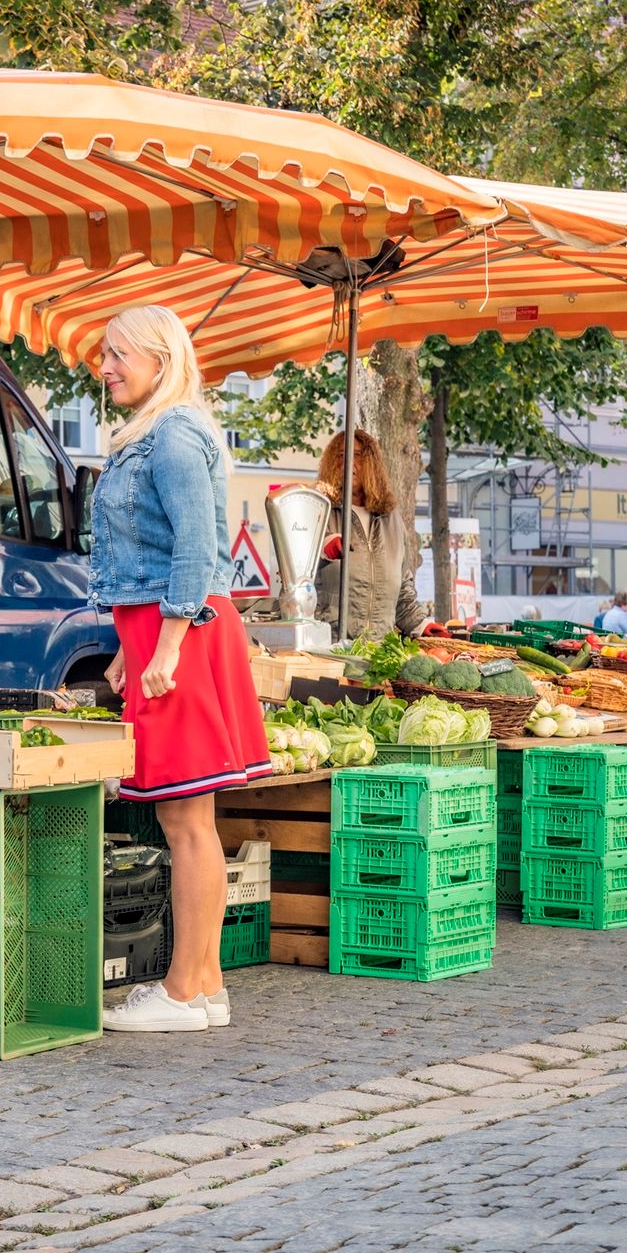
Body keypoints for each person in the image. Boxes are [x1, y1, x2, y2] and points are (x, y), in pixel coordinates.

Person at [91, 305, 268, 1034]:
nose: (105, 367)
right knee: (191, 818)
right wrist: (127, 653)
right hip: (168, 634)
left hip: (184, 637)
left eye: (119, 354)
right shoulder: (157, 432)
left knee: (186, 819)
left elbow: (198, 546)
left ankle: (183, 989)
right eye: (103, 354)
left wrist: (163, 648)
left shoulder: (173, 433)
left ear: (161, 360)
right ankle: (209, 985)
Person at [311, 430, 427, 642]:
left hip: (379, 653)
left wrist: (423, 625)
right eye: (340, 455)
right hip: (330, 650)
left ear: (371, 464)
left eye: (357, 455)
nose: (348, 462)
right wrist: (325, 548)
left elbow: (402, 593)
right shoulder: (319, 510)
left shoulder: (391, 520)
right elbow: (298, 569)